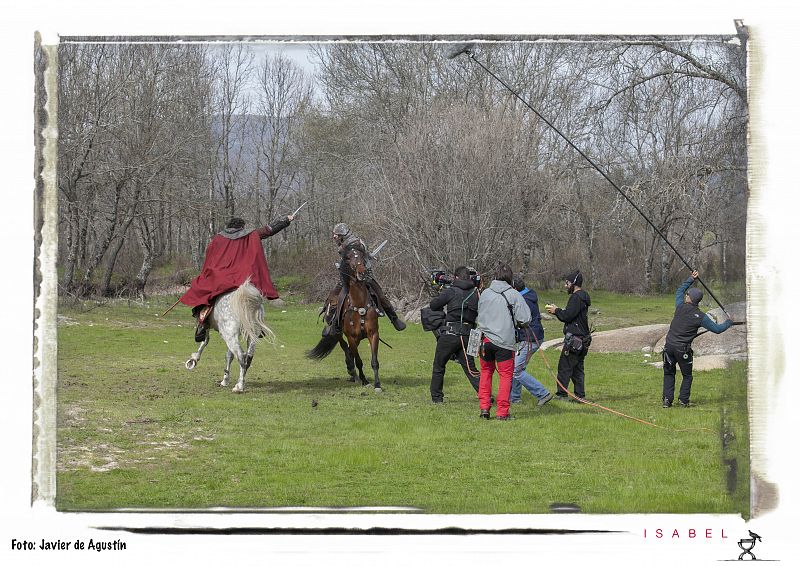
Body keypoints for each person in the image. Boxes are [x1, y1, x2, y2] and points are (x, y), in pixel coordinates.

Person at [180, 214, 294, 342]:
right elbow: (269, 230)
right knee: (253, 295)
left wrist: (209, 273)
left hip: (221, 277)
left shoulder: (218, 238)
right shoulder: (249, 234)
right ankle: (256, 323)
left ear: (229, 227)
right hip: (242, 277)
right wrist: (285, 220)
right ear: (242, 227)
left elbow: (210, 257)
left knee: (205, 293)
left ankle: (201, 324)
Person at [662, 270, 733, 408]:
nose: (685, 295)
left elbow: (679, 291)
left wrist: (691, 279)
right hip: (683, 350)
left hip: (669, 347)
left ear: (690, 298)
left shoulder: (679, 307)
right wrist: (729, 322)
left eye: (687, 295)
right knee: (687, 376)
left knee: (669, 373)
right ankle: (683, 401)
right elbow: (717, 329)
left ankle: (667, 400)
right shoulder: (701, 317)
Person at [323, 223, 406, 333]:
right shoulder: (347, 244)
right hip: (348, 277)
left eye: (337, 235)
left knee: (380, 296)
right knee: (333, 297)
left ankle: (394, 319)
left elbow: (356, 254)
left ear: (343, 235)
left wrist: (366, 256)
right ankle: (333, 324)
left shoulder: (351, 244)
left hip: (363, 276)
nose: (335, 237)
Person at [476, 263, 531, 420]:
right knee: (506, 376)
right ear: (510, 278)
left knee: (486, 373)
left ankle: (484, 409)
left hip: (485, 340)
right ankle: (502, 412)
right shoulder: (514, 295)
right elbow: (525, 319)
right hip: (504, 343)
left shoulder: (485, 293)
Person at [428, 266, 481, 403]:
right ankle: (485, 395)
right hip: (468, 335)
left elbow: (434, 306)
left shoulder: (450, 291)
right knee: (471, 369)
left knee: (439, 366)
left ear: (456, 277)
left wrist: (441, 291)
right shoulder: (477, 293)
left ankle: (437, 398)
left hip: (450, 334)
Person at [545, 269, 591, 402]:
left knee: (564, 367)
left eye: (567, 283)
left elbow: (568, 316)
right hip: (583, 340)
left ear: (574, 283)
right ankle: (580, 396)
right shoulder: (583, 296)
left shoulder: (576, 297)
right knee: (577, 369)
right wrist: (559, 310)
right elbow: (572, 314)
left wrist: (556, 311)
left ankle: (561, 395)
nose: (566, 286)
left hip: (575, 341)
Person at [510, 276, 554, 406]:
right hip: (533, 337)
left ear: (514, 289)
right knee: (518, 367)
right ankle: (515, 398)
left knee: (516, 371)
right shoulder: (529, 295)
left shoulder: (523, 300)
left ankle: (542, 393)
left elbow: (521, 319)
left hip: (529, 338)